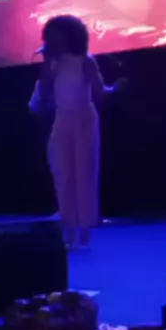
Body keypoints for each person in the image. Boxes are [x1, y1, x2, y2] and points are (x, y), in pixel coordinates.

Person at [30, 15, 112, 250]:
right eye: (48, 37)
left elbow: (99, 90)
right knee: (62, 172)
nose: (51, 41)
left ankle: (85, 227)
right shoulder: (53, 64)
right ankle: (68, 227)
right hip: (62, 118)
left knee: (84, 172)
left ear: (70, 37)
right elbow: (45, 92)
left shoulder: (85, 61)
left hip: (84, 118)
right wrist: (47, 64)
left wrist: (115, 89)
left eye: (55, 37)